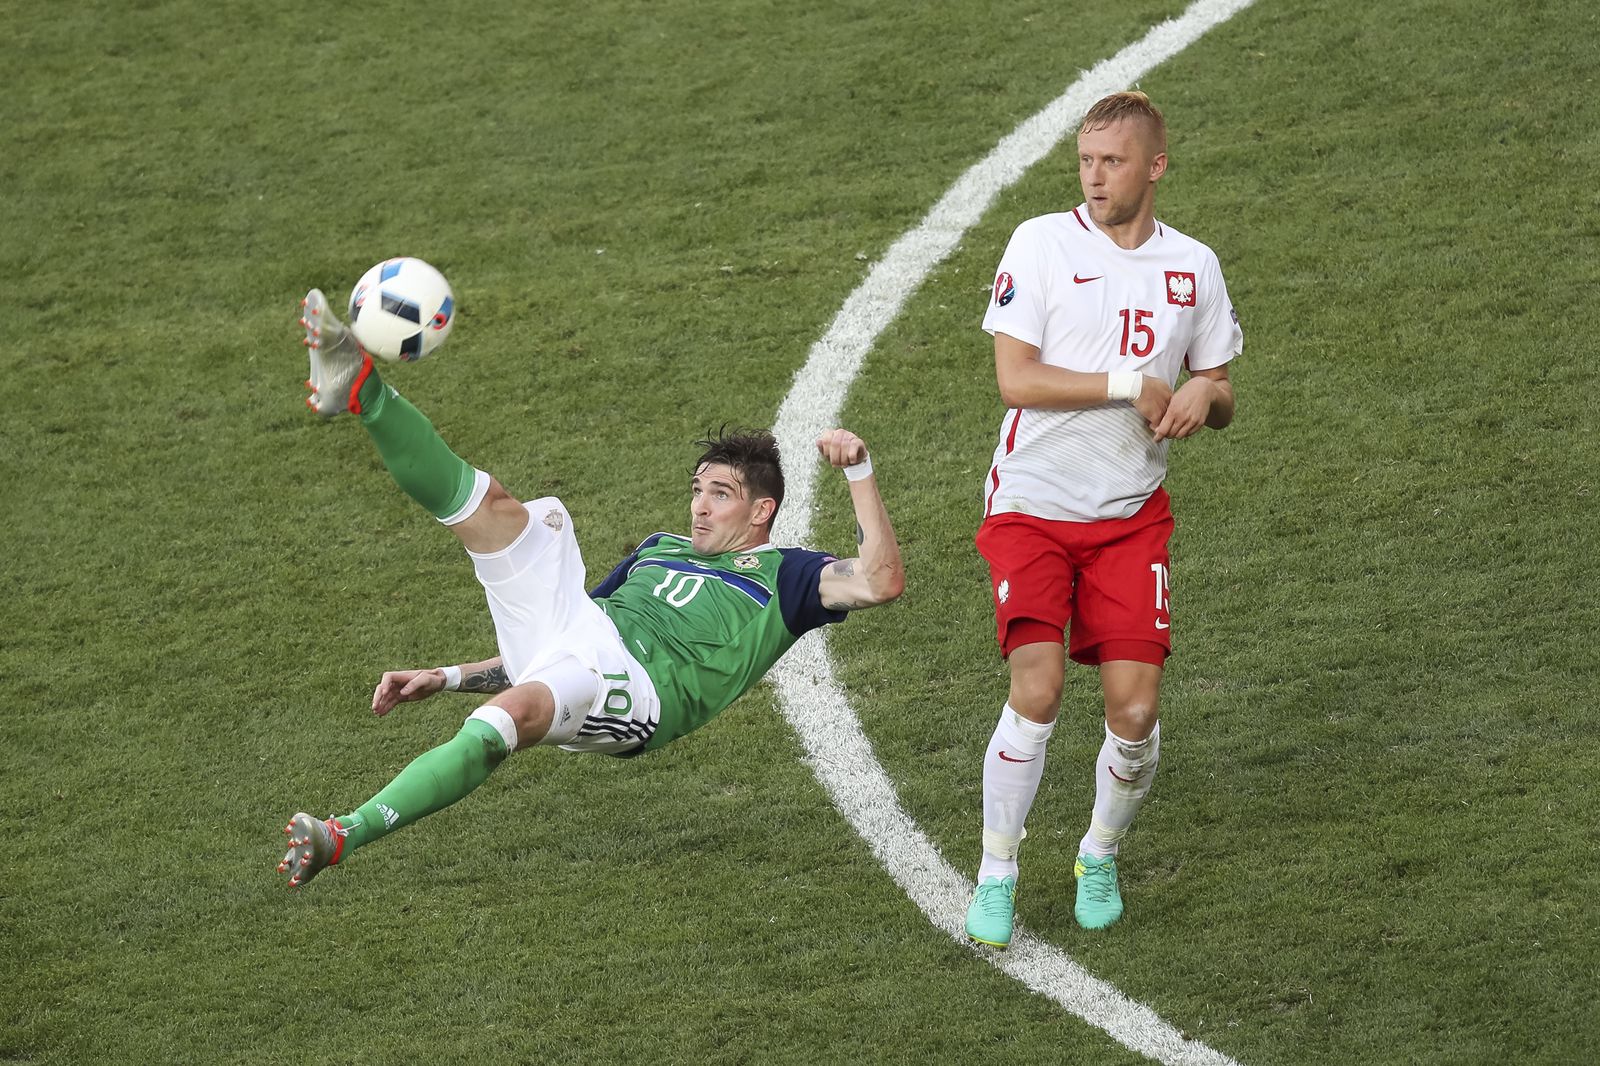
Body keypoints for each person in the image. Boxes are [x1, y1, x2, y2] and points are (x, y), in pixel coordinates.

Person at [277, 290, 904, 886]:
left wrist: (859, 472)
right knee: (502, 510)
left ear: (762, 511)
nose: (701, 509)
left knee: (507, 720)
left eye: (721, 495)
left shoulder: (788, 576)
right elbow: (561, 643)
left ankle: (342, 833)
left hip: (642, 692)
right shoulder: (659, 551)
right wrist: (447, 676)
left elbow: (880, 581)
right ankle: (364, 392)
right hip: (588, 641)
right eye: (697, 492)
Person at [963, 91, 1241, 945]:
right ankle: (998, 871)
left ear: (1154, 165)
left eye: (1112, 162)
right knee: (1037, 690)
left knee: (1134, 711)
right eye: (1085, 161)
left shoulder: (1193, 266)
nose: (1094, 177)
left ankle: (1098, 850)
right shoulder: (1041, 243)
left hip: (1128, 516)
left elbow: (1220, 392)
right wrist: (1132, 382)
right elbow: (1017, 380)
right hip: (1032, 509)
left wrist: (1205, 390)